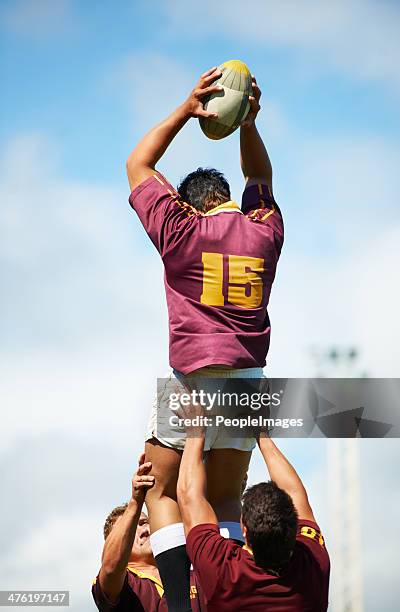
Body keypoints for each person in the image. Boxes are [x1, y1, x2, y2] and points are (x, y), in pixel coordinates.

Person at [126, 66, 284, 611]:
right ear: (228, 198)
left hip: (193, 379)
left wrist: (185, 109)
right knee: (223, 498)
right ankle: (226, 595)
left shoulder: (181, 230)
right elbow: (261, 180)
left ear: (189, 203)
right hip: (249, 382)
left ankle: (176, 602)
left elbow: (138, 165)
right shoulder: (263, 232)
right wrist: (248, 122)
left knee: (160, 492)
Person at [177, 422, 330, 611]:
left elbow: (190, 498)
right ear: (292, 529)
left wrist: (195, 431)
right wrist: (261, 434)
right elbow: (295, 493)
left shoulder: (222, 569)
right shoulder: (313, 564)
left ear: (244, 530)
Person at [92, 454, 203, 612]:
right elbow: (110, 568)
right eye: (131, 530)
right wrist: (136, 502)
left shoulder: (192, 574)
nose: (144, 529)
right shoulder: (125, 583)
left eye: (145, 522)